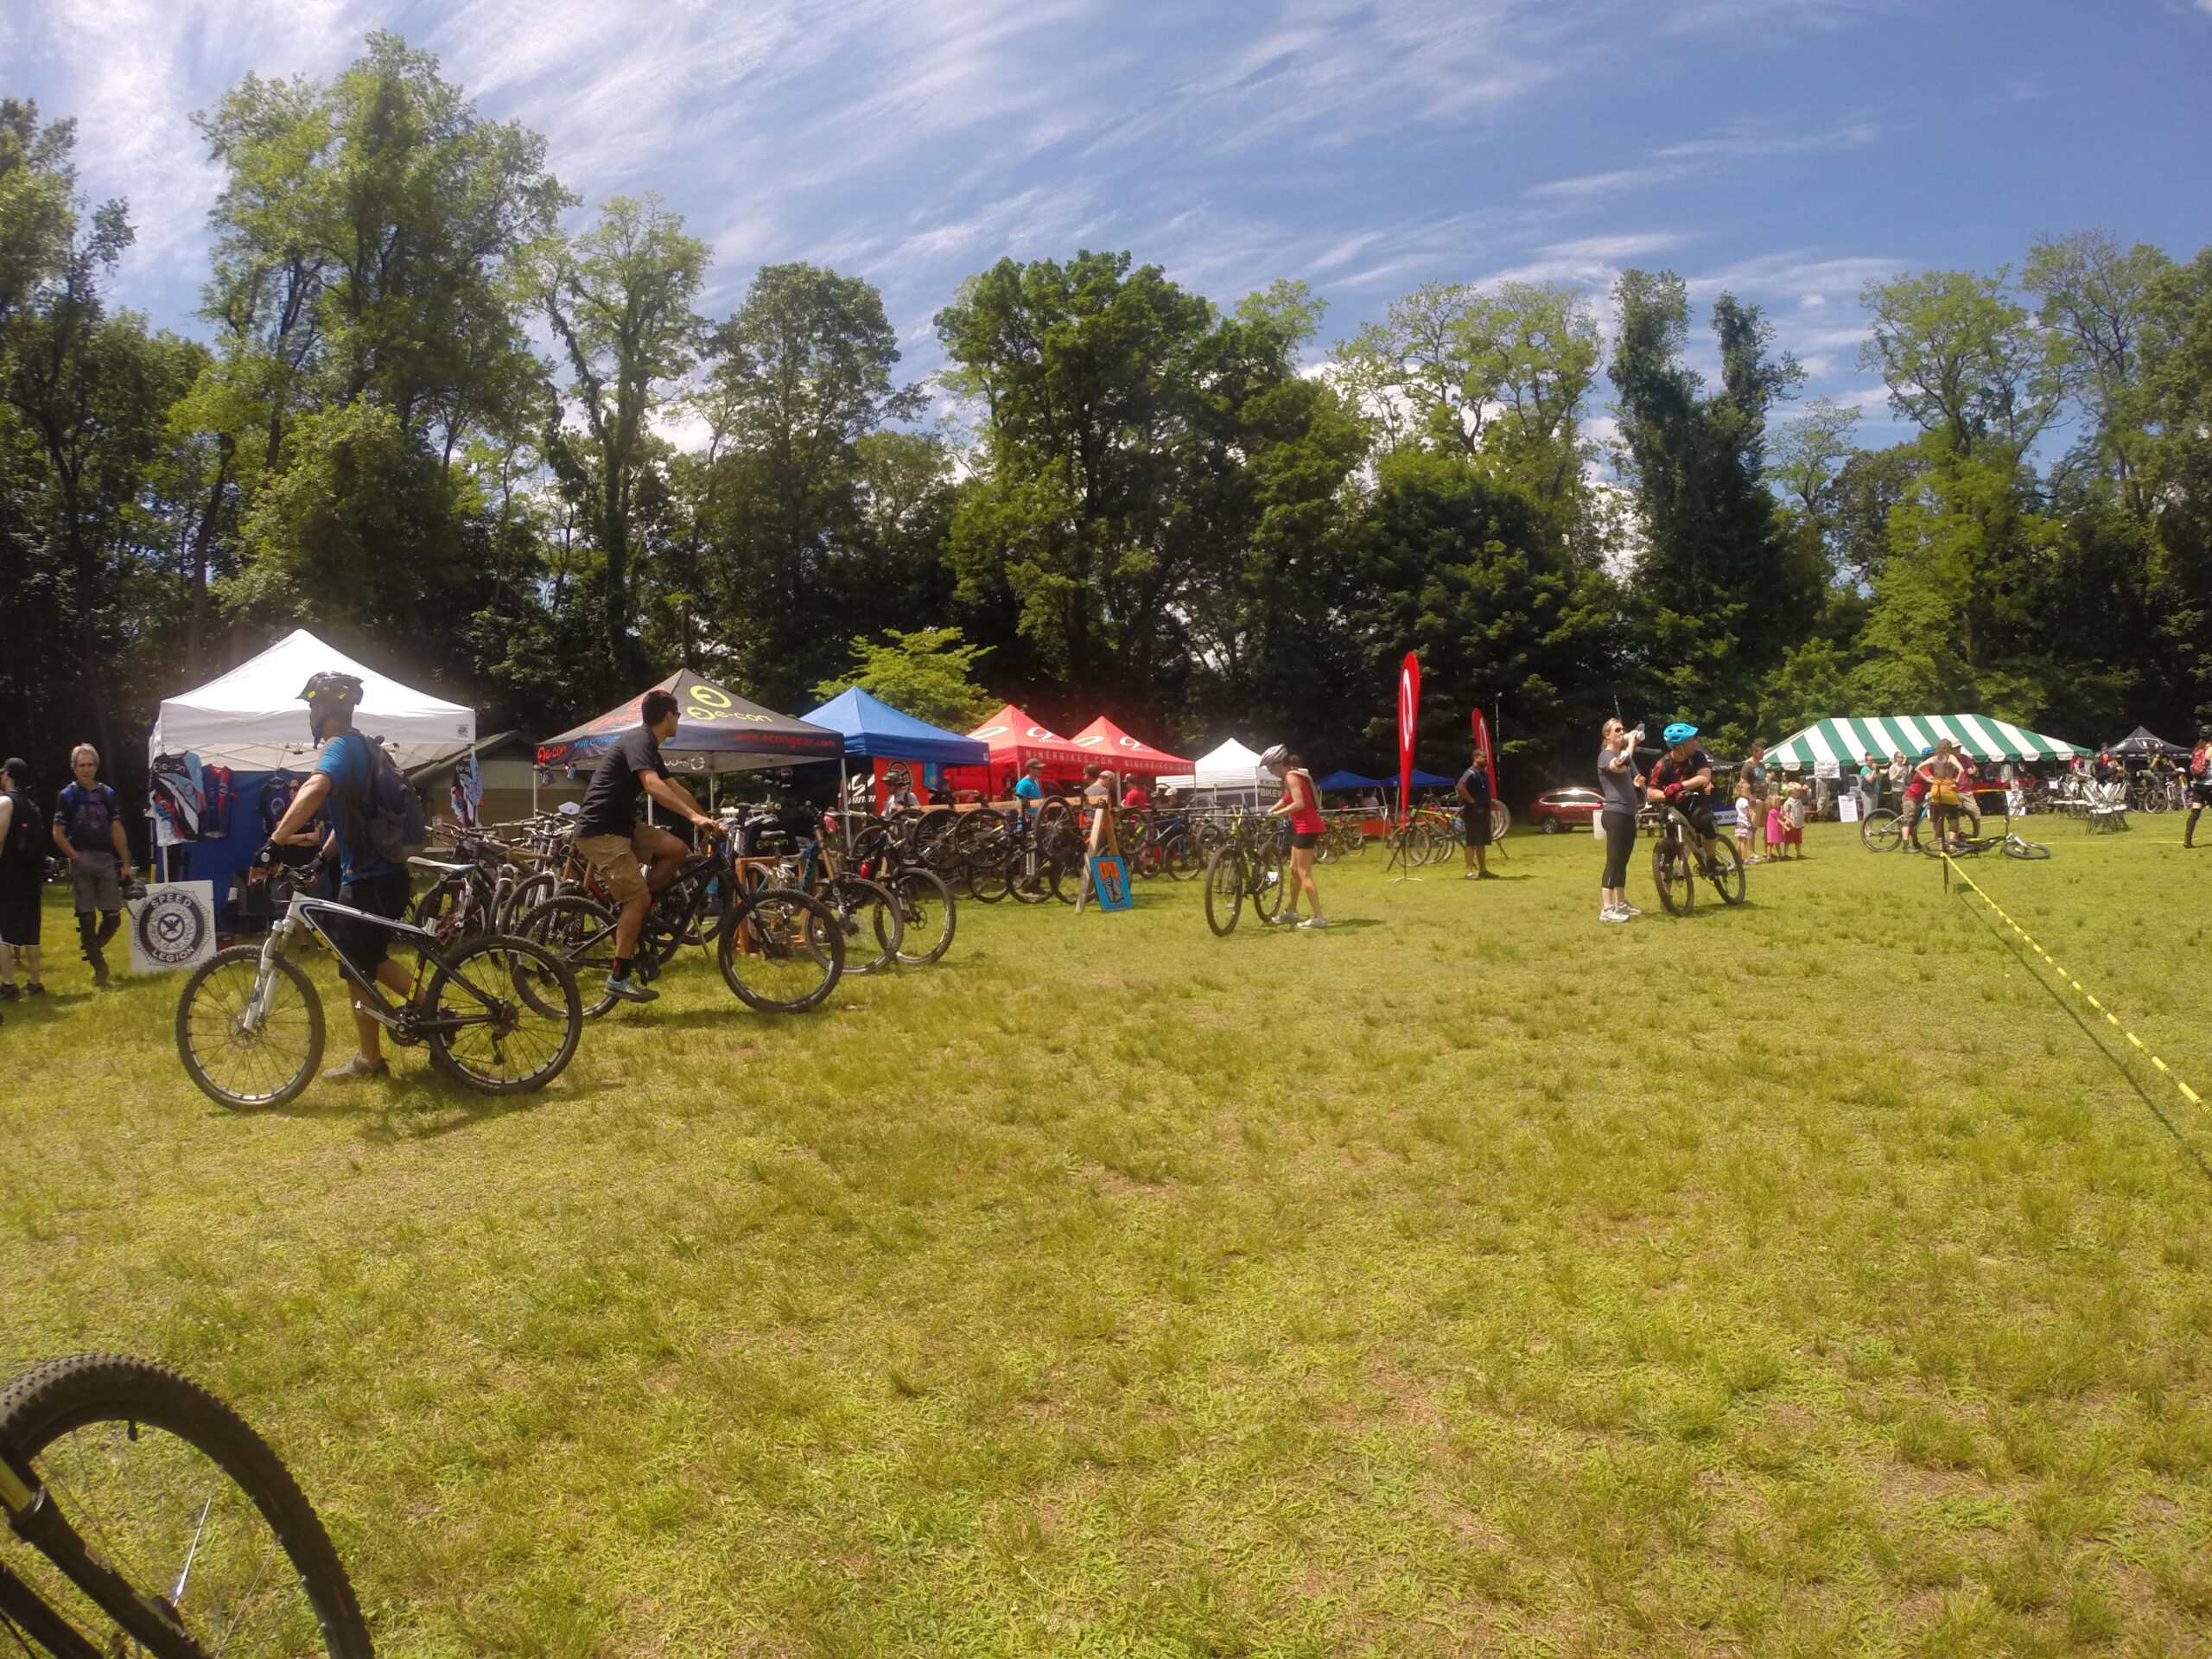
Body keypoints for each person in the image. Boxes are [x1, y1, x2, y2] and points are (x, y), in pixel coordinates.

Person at [253, 674, 420, 1078]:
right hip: (380, 874)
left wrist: (274, 842)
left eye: (312, 707)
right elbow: (351, 819)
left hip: (370, 879)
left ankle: (378, 1054)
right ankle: (425, 1019)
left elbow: (315, 787)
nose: (311, 714)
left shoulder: (341, 746)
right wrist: (321, 859)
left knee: (358, 964)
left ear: (326, 709)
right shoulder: (362, 745)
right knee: (364, 961)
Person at [571, 687, 720, 1005]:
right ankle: (618, 977)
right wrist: (693, 817)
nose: (678, 720)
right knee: (635, 901)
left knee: (676, 849)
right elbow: (651, 785)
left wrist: (708, 821)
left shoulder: (649, 746)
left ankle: (642, 908)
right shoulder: (639, 741)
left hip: (621, 827)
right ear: (669, 716)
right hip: (601, 830)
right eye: (678, 715)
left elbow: (674, 788)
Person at [50, 743, 136, 988]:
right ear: (74, 768)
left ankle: (92, 947)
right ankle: (100, 967)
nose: (86, 769)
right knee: (86, 918)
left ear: (96, 766)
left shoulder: (107, 794)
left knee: (113, 919)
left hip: (105, 859)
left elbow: (116, 829)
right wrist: (76, 858)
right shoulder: (67, 795)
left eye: (90, 765)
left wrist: (126, 863)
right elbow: (57, 832)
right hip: (80, 858)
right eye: (81, 765)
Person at [1262, 744, 1328, 929]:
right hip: (1300, 827)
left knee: (1304, 873)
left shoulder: (1291, 776)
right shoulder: (1291, 775)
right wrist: (1269, 811)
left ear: (1277, 764)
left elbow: (1298, 804)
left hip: (1307, 827)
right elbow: (1286, 799)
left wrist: (1279, 814)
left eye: (1270, 767)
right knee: (1293, 869)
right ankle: (1291, 911)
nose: (1270, 771)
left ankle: (1319, 917)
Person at [0, 757, 45, 998]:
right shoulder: (32, 806)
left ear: (7, 775)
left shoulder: (6, 802)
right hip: (31, 879)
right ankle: (35, 983)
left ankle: (8, 985)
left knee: (4, 933)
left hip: (8, 879)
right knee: (32, 934)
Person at [1646, 722, 1719, 866]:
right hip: (1674, 807)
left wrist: (1679, 786)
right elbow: (1650, 793)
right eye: (1690, 740)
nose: (1695, 743)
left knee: (1708, 821)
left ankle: (1711, 859)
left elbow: (1704, 777)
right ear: (1679, 747)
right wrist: (1668, 795)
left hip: (1695, 802)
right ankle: (1666, 886)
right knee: (1666, 856)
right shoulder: (1663, 765)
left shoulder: (1697, 757)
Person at [1596, 719, 1643, 923]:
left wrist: (1634, 783)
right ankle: (1606, 909)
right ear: (1607, 735)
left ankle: (1621, 903)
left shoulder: (1618, 754)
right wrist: (1631, 744)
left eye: (1623, 729)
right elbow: (1618, 766)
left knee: (1622, 861)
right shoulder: (1606, 755)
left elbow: (1621, 775)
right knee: (1614, 861)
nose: (1622, 732)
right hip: (1615, 814)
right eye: (1617, 730)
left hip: (1627, 814)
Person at [2190, 728, 2212, 849]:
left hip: (2198, 785)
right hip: (2210, 785)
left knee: (2195, 812)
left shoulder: (2197, 749)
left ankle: (2187, 840)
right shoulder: (2210, 750)